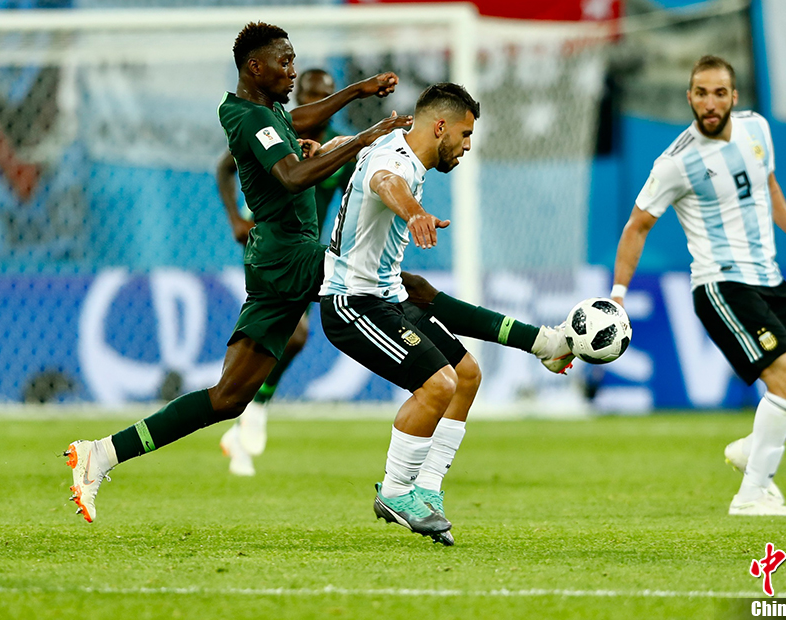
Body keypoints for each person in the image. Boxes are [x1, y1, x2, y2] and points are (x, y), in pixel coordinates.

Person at [65, 23, 571, 526]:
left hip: (281, 258)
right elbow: (291, 176)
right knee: (401, 287)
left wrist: (356, 93)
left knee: (228, 398)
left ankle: (101, 453)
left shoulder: (266, 112)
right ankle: (540, 343)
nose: (292, 71)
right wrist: (366, 138)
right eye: (284, 63)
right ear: (254, 67)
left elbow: (299, 121)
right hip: (288, 255)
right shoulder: (246, 115)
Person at [610, 55, 786, 517]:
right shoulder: (675, 162)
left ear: (734, 97)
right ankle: (752, 494)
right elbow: (637, 226)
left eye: (719, 93)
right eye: (701, 93)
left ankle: (753, 447)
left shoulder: (757, 129)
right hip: (722, 285)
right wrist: (618, 295)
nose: (710, 102)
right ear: (689, 97)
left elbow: (769, 186)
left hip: (770, 279)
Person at [319, 83, 483, 545]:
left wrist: (327, 148)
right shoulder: (397, 162)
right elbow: (385, 181)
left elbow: (357, 151)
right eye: (465, 134)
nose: (467, 146)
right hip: (353, 303)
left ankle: (426, 490)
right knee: (439, 384)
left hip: (388, 297)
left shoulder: (393, 140)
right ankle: (394, 492)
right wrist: (413, 213)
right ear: (440, 127)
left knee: (466, 375)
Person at [215, 69, 364, 476]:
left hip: (308, 250)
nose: (316, 100)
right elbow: (224, 168)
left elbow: (352, 200)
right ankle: (252, 408)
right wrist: (235, 219)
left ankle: (244, 415)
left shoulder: (338, 147)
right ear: (300, 97)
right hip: (269, 244)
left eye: (324, 94)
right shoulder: (275, 131)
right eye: (310, 94)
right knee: (293, 334)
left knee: (287, 338)